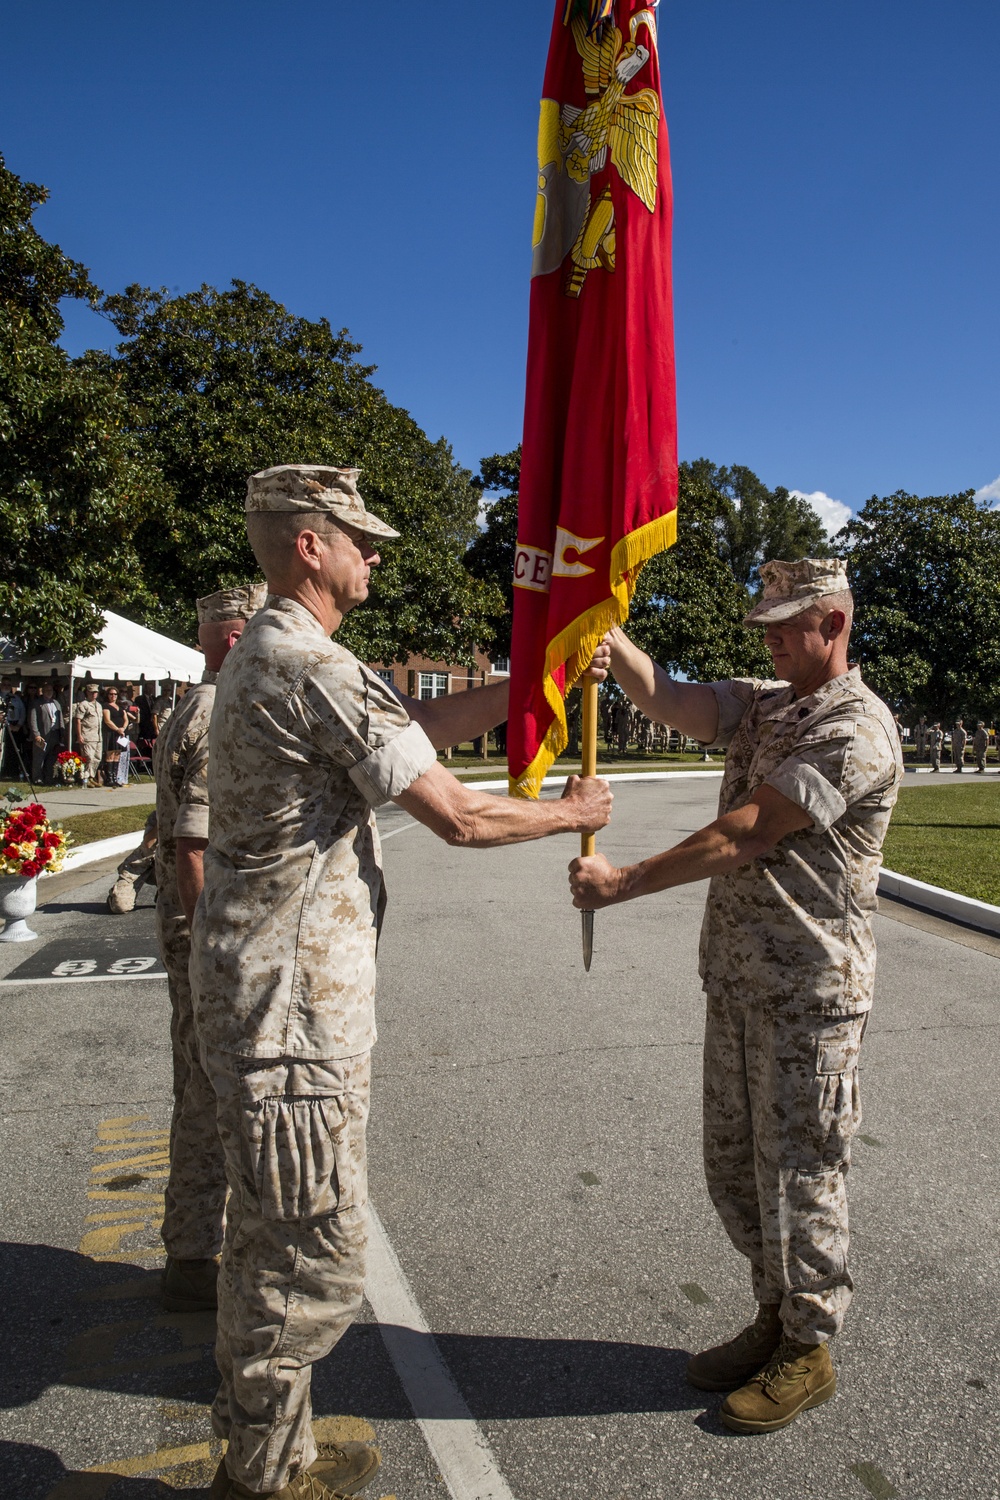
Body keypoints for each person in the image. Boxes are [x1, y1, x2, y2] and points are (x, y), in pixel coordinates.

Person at [191, 464, 612, 1500]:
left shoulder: (280, 657)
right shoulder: (308, 665)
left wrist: (538, 682)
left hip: (268, 1001)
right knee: (311, 1261)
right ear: (308, 546)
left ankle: (266, 1443)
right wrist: (574, 814)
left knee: (265, 1235)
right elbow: (458, 816)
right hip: (292, 1019)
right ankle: (260, 1475)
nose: (373, 553)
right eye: (357, 538)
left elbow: (409, 736)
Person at [570, 559, 902, 1435]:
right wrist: (608, 639)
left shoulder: (856, 728)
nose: (770, 637)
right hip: (741, 981)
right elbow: (676, 700)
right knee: (736, 1168)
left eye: (786, 625)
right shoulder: (768, 700)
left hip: (809, 993)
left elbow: (751, 829)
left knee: (800, 1173)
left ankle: (809, 1347)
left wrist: (625, 881)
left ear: (834, 623)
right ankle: (774, 1314)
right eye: (765, 624)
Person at [158, 584, 267, 1315]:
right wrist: (211, 954)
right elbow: (193, 848)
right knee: (207, 1097)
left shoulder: (189, 710)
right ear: (233, 642)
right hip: (200, 936)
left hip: (187, 932)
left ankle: (195, 1248)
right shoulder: (213, 714)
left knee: (198, 1088)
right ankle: (196, 1256)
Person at [107, 811, 158, 914]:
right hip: (140, 865)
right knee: (120, 906)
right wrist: (164, 820)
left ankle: (165, 894)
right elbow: (148, 843)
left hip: (166, 868)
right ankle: (114, 895)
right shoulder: (158, 815)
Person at [29, 682, 64, 784]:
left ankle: (49, 777)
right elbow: (33, 720)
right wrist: (36, 734)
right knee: (39, 757)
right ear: (42, 691)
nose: (49, 692)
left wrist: (62, 733)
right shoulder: (37, 703)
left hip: (54, 733)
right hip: (42, 734)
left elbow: (60, 718)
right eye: (47, 690)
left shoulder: (56, 703)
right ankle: (37, 778)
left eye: (51, 690)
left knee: (51, 757)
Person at [73, 684, 104, 785]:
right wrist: (79, 735)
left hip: (98, 736)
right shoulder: (83, 704)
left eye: (95, 692)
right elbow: (78, 720)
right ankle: (85, 777)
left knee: (97, 758)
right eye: (92, 692)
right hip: (87, 735)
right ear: (87, 693)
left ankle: (91, 776)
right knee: (88, 757)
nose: (94, 694)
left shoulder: (99, 705)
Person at [101, 688, 131, 786]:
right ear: (107, 695)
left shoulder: (120, 707)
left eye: (115, 694)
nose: (113, 696)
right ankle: (109, 778)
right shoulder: (106, 706)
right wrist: (117, 729)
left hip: (120, 734)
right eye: (111, 694)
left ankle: (115, 777)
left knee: (117, 754)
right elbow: (107, 720)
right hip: (111, 733)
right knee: (110, 754)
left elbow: (126, 719)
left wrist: (123, 728)